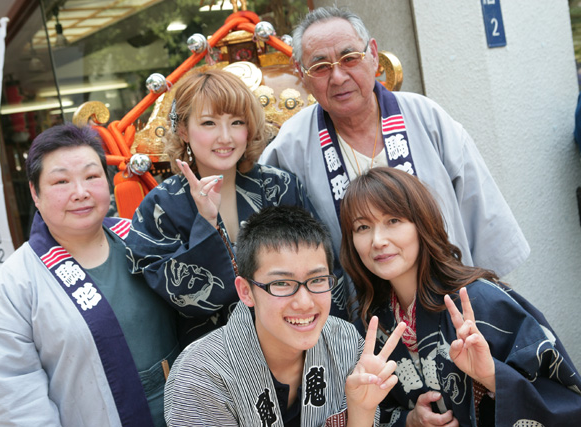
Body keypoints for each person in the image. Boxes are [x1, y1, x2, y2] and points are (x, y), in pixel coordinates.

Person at [260, 6, 529, 281]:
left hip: (448, 294)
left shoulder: (426, 117)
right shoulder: (290, 146)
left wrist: (483, 296)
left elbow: (481, 213)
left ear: (373, 55)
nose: (338, 77)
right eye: (320, 67)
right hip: (355, 304)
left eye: (350, 58)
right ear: (301, 73)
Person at [338, 167, 581, 426]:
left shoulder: (482, 301)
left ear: (422, 224)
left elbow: (563, 399)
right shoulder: (368, 328)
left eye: (393, 221)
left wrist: (491, 376)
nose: (377, 240)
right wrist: (410, 420)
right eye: (362, 227)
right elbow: (369, 413)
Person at [125, 69, 346, 347]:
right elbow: (175, 297)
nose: (225, 137)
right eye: (209, 123)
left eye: (237, 122)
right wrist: (206, 222)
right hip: (213, 358)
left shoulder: (279, 186)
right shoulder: (161, 206)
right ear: (183, 130)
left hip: (298, 342)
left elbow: (323, 270)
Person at [0, 124, 179, 426]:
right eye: (61, 181)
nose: (81, 193)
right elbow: (14, 403)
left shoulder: (142, 240)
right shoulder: (15, 284)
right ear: (35, 192)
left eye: (92, 176)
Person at [164, 205, 406, 426]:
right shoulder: (201, 376)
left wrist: (362, 410)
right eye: (281, 283)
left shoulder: (346, 343)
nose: (304, 302)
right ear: (246, 291)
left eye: (318, 280)